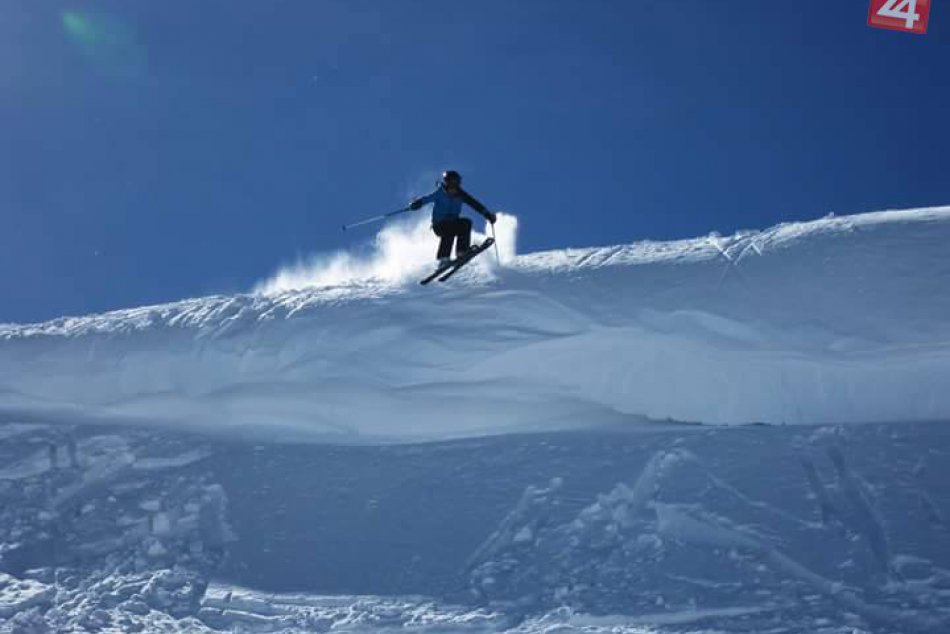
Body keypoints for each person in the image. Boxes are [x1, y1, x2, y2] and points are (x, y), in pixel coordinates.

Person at [410, 170, 497, 265]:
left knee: (466, 223)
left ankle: (461, 252)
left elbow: (475, 204)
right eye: (451, 183)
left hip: (452, 223)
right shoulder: (440, 193)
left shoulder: (461, 195)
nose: (454, 187)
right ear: (446, 183)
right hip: (439, 225)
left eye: (456, 183)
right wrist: (417, 204)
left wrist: (488, 215)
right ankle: (443, 258)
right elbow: (426, 199)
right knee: (449, 230)